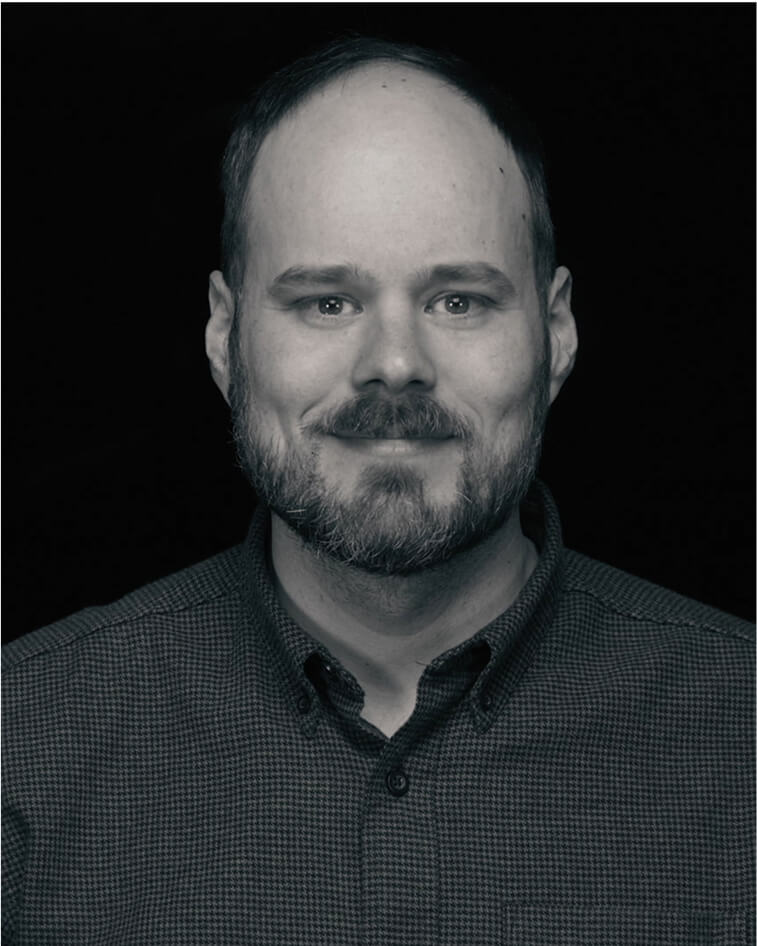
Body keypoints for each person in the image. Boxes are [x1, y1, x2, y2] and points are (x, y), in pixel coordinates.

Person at [3, 36, 753, 945]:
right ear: (223, 336)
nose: (394, 364)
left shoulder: (737, 737)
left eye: (457, 301)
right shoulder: (23, 750)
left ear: (555, 333)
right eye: (327, 302)